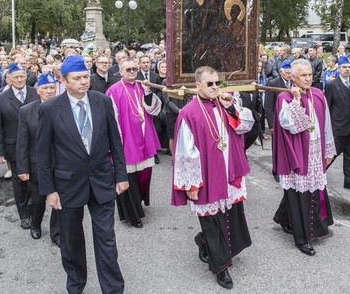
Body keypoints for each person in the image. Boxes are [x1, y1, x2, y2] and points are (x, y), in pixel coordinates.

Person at [36, 54, 128, 294]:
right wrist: (49, 190)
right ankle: (76, 284)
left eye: (86, 77)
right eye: (77, 78)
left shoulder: (102, 102)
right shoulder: (49, 109)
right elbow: (43, 155)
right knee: (71, 240)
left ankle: (113, 288)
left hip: (102, 180)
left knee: (106, 238)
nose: (84, 82)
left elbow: (115, 141)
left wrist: (121, 175)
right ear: (63, 80)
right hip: (67, 186)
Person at [171, 66, 253, 289]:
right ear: (198, 86)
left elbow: (245, 126)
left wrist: (231, 108)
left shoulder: (226, 103)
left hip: (229, 170)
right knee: (211, 220)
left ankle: (206, 243)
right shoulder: (188, 112)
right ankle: (220, 268)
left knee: (230, 215)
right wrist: (191, 184)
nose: (215, 87)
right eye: (210, 84)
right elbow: (185, 152)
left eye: (218, 83)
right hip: (206, 173)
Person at [272, 59, 335, 256]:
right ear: (293, 77)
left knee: (310, 188)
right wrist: (297, 100)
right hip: (297, 150)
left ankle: (284, 217)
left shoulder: (318, 94)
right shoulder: (285, 97)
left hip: (316, 148)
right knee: (299, 193)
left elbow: (326, 124)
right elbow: (291, 125)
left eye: (309, 75)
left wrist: (328, 149)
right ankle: (302, 238)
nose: (308, 79)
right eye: (303, 75)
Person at [105, 58, 162, 229]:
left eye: (134, 69)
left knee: (144, 174)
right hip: (127, 140)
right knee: (127, 177)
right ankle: (132, 214)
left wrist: (147, 93)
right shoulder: (113, 91)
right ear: (120, 72)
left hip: (145, 137)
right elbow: (111, 119)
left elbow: (154, 110)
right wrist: (115, 143)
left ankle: (139, 201)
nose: (132, 72)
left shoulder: (142, 86)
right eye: (128, 69)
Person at [15, 73, 60, 244]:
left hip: (60, 162)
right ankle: (35, 224)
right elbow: (22, 142)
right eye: (45, 88)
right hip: (37, 164)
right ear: (37, 90)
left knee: (60, 200)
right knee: (38, 199)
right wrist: (23, 168)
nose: (49, 91)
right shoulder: (27, 111)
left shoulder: (61, 106)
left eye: (52, 88)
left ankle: (57, 232)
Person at [0, 62, 39, 229]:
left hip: (35, 145)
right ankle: (24, 214)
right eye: (16, 77)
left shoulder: (35, 93)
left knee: (34, 180)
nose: (19, 80)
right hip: (14, 146)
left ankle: (35, 210)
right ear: (9, 79)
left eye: (22, 76)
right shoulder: (1, 98)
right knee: (19, 181)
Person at [324, 56, 350, 191]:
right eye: (344, 67)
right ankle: (319, 176)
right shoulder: (331, 85)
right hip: (338, 127)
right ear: (338, 69)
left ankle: (349, 180)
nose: (347, 70)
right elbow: (327, 108)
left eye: (348, 67)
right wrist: (327, 127)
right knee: (331, 155)